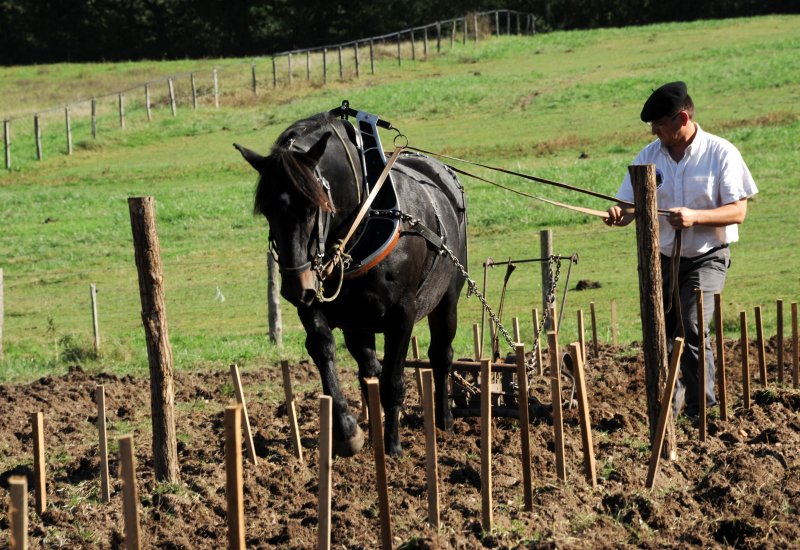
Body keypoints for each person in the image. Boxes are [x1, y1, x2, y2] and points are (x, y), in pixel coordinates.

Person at [604, 81, 758, 418]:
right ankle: (668, 412)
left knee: (691, 326)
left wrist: (695, 217)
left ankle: (703, 410)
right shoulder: (648, 157)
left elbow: (738, 211)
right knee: (664, 331)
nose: (654, 131)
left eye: (660, 124)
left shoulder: (721, 153)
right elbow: (629, 206)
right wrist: (619, 214)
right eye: (652, 125)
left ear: (683, 118)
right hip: (660, 259)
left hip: (707, 257)